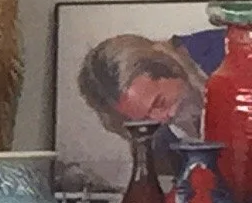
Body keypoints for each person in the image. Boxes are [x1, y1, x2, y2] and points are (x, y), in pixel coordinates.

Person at [77, 30, 224, 168]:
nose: (162, 119)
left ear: (171, 67)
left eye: (159, 102)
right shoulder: (159, 138)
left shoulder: (230, 53)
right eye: (146, 118)